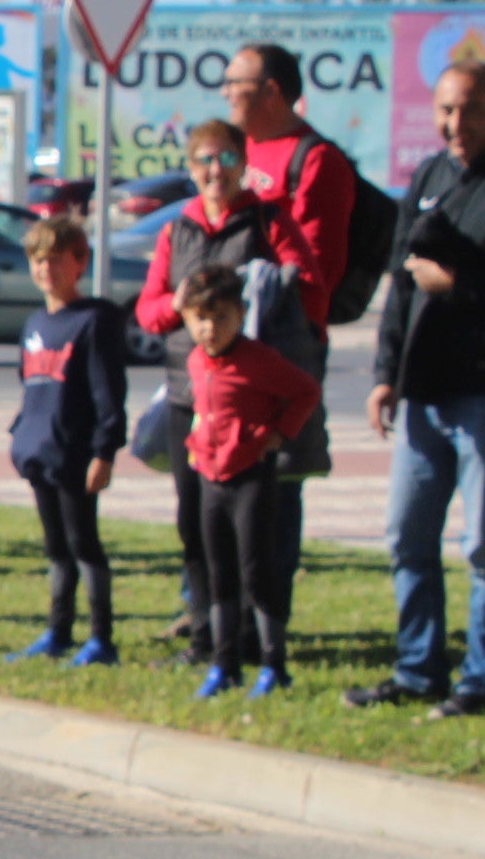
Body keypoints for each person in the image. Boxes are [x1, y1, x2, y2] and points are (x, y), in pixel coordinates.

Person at [346, 58, 485, 718]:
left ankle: (481, 683)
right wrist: (386, 374)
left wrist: (463, 285)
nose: (455, 123)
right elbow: (402, 286)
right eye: (445, 110)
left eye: (470, 109)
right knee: (406, 537)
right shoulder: (431, 176)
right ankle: (418, 670)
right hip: (424, 393)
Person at [135, 123, 304, 662]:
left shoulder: (268, 220)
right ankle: (208, 634)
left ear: (243, 163)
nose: (216, 170)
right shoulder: (175, 231)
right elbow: (149, 311)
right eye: (206, 159)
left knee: (255, 532)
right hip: (190, 397)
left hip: (249, 403)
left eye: (227, 158)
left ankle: (259, 641)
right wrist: (177, 303)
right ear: (191, 167)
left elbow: (307, 283)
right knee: (196, 524)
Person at [221, 44, 359, 611]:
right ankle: (214, 612)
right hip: (224, 345)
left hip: (281, 347)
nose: (226, 91)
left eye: (237, 81)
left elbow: (315, 273)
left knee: (275, 487)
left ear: (273, 90)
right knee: (215, 480)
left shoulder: (316, 161)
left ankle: (266, 617)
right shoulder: (236, 152)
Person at [179, 263, 321, 699]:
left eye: (221, 318)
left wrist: (280, 434)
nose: (210, 328)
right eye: (201, 319)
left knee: (256, 571)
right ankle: (225, 665)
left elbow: (306, 391)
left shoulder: (258, 360)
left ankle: (274, 664)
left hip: (250, 479)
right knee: (219, 574)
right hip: (210, 479)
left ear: (240, 315)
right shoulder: (195, 361)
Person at [3, 215, 126, 667]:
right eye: (37, 261)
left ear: (80, 262)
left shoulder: (95, 321)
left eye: (56, 260)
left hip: (76, 453)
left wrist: (105, 451)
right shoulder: (35, 322)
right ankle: (57, 631)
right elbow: (30, 385)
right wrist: (20, 436)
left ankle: (101, 638)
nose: (45, 270)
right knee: (56, 549)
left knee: (83, 545)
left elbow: (107, 393)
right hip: (41, 451)